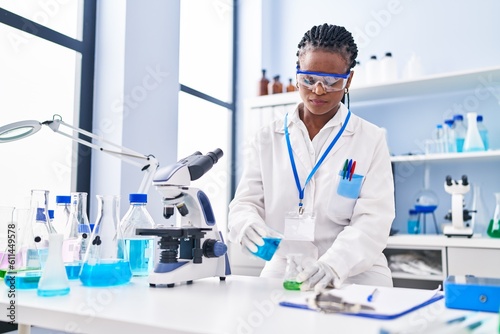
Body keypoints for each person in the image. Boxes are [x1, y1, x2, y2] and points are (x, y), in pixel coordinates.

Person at [228, 23, 395, 292]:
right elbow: (244, 204)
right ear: (297, 76)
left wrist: (333, 264)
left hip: (356, 273)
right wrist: (246, 225)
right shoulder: (267, 138)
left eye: (331, 82)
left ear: (348, 80)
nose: (318, 91)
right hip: (285, 266)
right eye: (309, 80)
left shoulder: (371, 139)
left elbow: (374, 219)